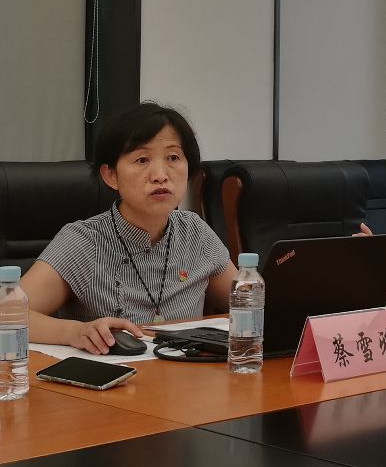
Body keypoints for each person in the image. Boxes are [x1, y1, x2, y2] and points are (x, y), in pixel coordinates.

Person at [16, 102, 237, 354]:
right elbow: (3, 317)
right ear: (111, 176)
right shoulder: (83, 241)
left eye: (173, 158)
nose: (160, 175)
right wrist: (75, 332)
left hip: (186, 374)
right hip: (113, 376)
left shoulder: (196, 233)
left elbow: (254, 306)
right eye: (142, 160)